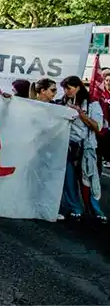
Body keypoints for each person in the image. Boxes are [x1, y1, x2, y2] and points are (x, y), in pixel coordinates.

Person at [57, 76, 105, 222]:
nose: (66, 91)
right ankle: (75, 208)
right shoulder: (63, 101)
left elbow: (97, 127)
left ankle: (96, 210)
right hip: (68, 146)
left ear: (78, 87)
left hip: (86, 147)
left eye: (69, 88)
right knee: (69, 180)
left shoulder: (92, 104)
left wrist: (80, 114)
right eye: (64, 88)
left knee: (88, 179)